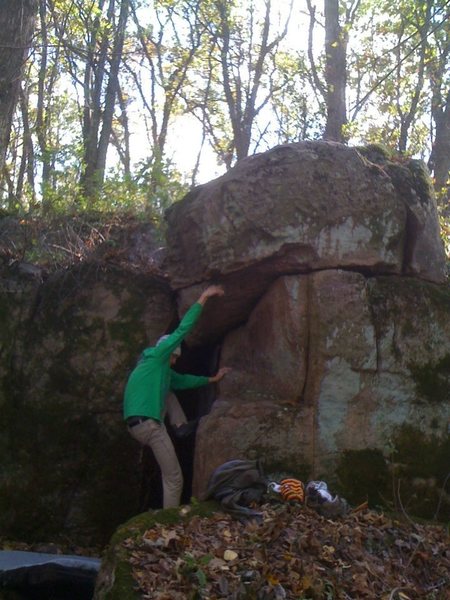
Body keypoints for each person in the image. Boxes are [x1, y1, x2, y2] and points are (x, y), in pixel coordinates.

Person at [123, 285, 230, 509]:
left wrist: (212, 379)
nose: (174, 362)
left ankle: (180, 425)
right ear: (168, 352)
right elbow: (182, 330)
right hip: (149, 424)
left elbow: (183, 380)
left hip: (137, 424)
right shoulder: (158, 357)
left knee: (170, 387)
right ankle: (168, 524)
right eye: (174, 357)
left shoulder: (152, 369)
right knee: (174, 478)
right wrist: (203, 297)